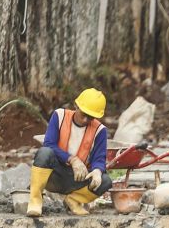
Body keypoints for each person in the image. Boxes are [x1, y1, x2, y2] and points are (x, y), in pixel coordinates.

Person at [27, 88, 110, 217]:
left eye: (91, 117)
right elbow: (49, 144)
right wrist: (73, 159)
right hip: (53, 175)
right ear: (75, 106)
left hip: (76, 180)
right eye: (84, 114)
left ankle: (74, 200)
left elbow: (99, 159)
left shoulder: (100, 130)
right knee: (44, 153)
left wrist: (97, 171)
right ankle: (35, 201)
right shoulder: (60, 116)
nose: (85, 120)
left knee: (105, 181)